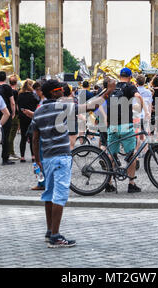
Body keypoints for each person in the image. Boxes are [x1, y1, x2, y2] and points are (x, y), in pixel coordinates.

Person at [31, 79, 115, 248]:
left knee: (49, 194)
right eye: (60, 89)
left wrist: (37, 159)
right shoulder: (63, 107)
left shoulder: (38, 112)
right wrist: (108, 92)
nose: (63, 90)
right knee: (60, 196)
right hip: (61, 157)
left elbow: (34, 137)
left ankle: (49, 231)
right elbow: (90, 107)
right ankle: (55, 236)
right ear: (54, 93)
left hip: (47, 158)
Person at [105, 68, 144, 193]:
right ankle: (131, 183)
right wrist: (142, 107)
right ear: (130, 77)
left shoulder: (113, 87)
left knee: (111, 155)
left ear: (119, 75)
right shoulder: (129, 87)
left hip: (113, 125)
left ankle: (109, 183)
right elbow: (138, 96)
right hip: (126, 125)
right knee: (131, 154)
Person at [0, 71, 16, 165]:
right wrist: (13, 113)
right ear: (5, 78)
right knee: (6, 136)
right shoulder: (7, 87)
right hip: (6, 113)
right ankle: (5, 158)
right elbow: (12, 102)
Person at [17, 79, 39, 163]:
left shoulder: (20, 95)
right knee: (32, 137)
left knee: (23, 137)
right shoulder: (33, 95)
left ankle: (22, 157)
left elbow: (18, 106)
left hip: (23, 117)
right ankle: (33, 156)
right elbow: (37, 105)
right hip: (32, 116)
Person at [8, 75, 20, 161]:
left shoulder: (6, 90)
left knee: (9, 133)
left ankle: (9, 152)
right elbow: (15, 104)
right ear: (16, 83)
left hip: (7, 113)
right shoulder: (15, 92)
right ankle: (10, 152)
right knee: (12, 134)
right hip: (14, 114)